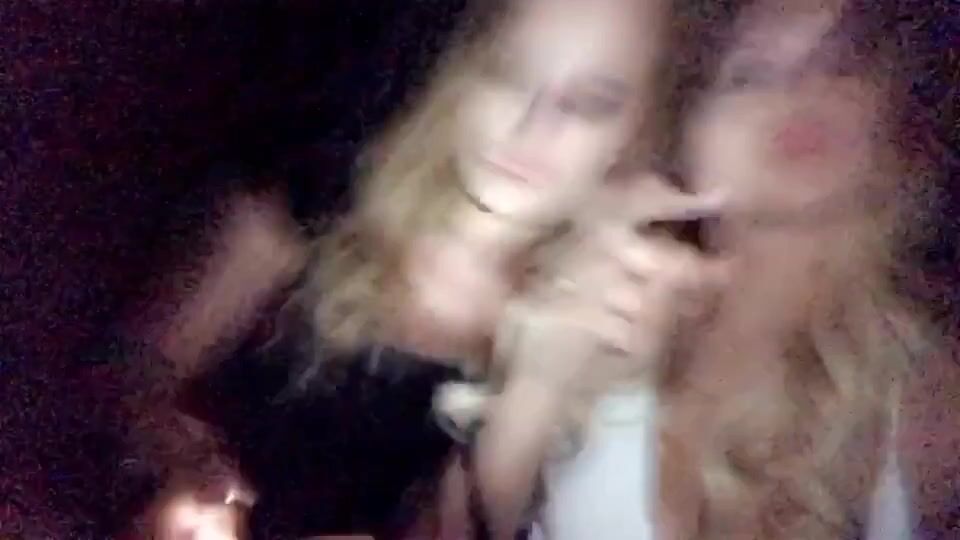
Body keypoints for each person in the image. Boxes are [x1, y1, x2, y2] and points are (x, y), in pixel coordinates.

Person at [146, 0, 694, 536]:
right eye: (509, 71)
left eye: (591, 102)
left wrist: (536, 386)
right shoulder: (315, 194)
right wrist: (173, 460)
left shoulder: (602, 336)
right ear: (463, 72)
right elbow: (133, 375)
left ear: (641, 127)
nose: (534, 125)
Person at [660, 1, 955, 538]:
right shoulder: (607, 343)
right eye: (750, 75)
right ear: (684, 133)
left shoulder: (933, 400)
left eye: (840, 64)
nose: (802, 91)